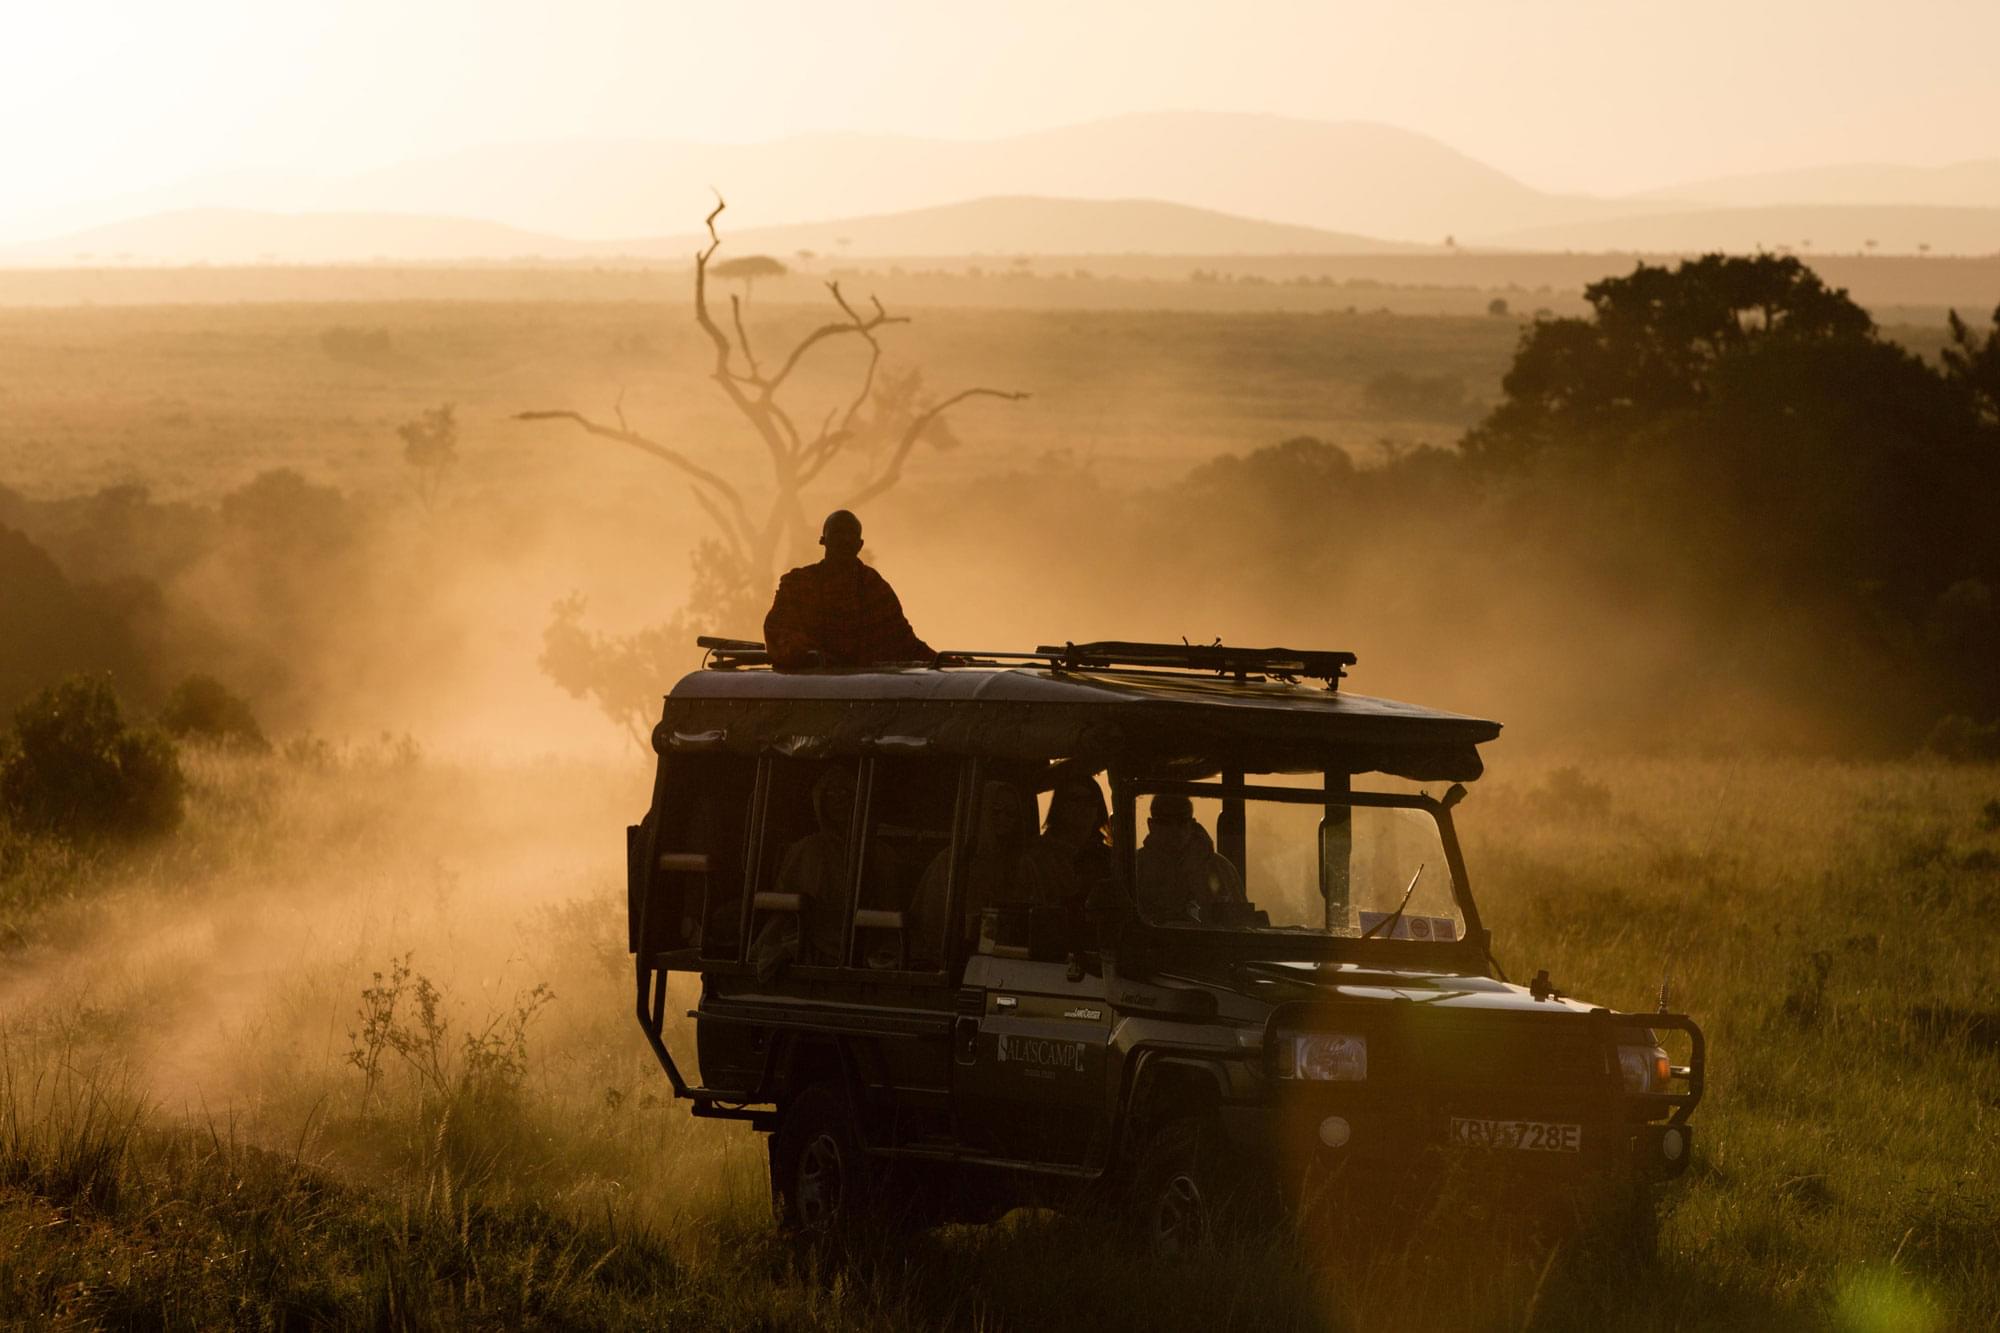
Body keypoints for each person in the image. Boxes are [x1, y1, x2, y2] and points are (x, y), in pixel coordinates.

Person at [763, 510, 933, 669]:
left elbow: (901, 640)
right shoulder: (799, 583)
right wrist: (806, 656)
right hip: (810, 682)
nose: (845, 540)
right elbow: (779, 629)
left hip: (864, 686)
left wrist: (938, 660)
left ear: (859, 544)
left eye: (850, 534)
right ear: (823, 540)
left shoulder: (872, 585)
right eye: (838, 533)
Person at [909, 779, 1035, 958]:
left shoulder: (1022, 865)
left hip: (1011, 961)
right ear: (980, 812)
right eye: (996, 811)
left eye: (1011, 814)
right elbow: (932, 920)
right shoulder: (952, 861)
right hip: (952, 961)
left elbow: (1035, 918)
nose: (1003, 819)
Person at [749, 766, 856, 977]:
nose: (838, 800)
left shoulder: (878, 853)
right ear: (820, 801)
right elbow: (782, 904)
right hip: (807, 935)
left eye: (845, 793)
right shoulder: (806, 849)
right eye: (831, 793)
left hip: (857, 944)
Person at [1135, 793, 1245, 924]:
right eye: (1165, 821)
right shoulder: (1135, 867)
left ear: (1192, 824)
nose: (1174, 829)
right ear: (1150, 824)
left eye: (1182, 821)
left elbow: (1241, 925)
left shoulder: (1219, 868)